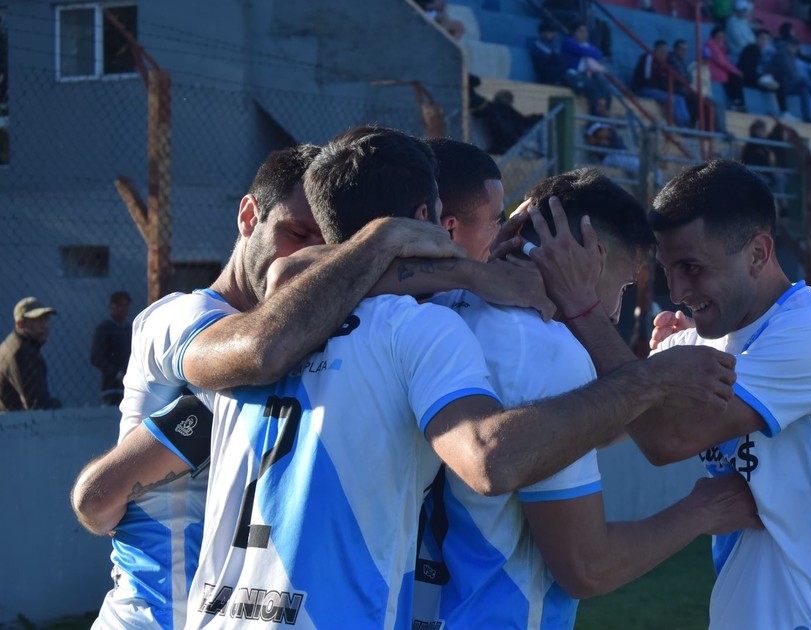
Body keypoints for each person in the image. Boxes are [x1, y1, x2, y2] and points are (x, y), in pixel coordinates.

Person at [130, 127, 737, 628]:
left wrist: (466, 273)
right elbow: (562, 538)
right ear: (429, 219)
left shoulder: (277, 323)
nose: (619, 306)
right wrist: (696, 489)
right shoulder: (464, 334)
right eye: (626, 286)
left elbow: (294, 276)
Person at [72, 144, 550, 629]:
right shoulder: (185, 319)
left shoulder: (319, 336)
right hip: (148, 617)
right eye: (296, 233)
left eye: (327, 245)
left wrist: (481, 254)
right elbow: (259, 350)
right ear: (248, 216)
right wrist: (402, 245)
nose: (309, 257)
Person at [525, 159, 811, 629]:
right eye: (668, 269)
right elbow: (605, 426)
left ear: (757, 254)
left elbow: (666, 438)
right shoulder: (697, 341)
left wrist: (581, 304)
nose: (677, 292)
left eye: (692, 267)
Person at [414, 163, 760, 628]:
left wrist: (657, 390)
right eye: (623, 284)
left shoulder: (437, 308)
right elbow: (587, 568)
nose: (616, 310)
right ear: (592, 256)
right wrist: (705, 510)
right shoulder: (548, 349)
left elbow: (571, 427)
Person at [0, 296, 59, 411]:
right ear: (20, 324)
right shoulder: (22, 353)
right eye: (37, 320)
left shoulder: (13, 344)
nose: (45, 325)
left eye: (46, 319)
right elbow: (37, 405)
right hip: (16, 420)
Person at [633, 40, 692, 127]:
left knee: (680, 98)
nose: (663, 53)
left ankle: (687, 123)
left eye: (665, 51)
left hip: (656, 90)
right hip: (644, 89)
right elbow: (647, 78)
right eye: (661, 50)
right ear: (656, 50)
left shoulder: (663, 63)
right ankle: (681, 125)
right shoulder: (648, 57)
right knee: (673, 99)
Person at [90, 290, 132, 406]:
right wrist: (117, 374)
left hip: (130, 387)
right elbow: (96, 358)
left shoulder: (130, 329)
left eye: (125, 305)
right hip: (111, 388)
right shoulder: (104, 329)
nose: (122, 309)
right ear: (111, 307)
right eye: (119, 305)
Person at [705, 25, 746, 110]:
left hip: (722, 71)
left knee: (737, 76)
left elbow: (726, 62)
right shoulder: (710, 44)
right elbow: (721, 61)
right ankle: (737, 102)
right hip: (713, 72)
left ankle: (738, 103)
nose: (721, 39)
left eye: (723, 37)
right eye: (719, 36)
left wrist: (735, 70)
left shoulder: (722, 47)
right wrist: (735, 70)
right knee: (735, 76)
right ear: (714, 37)